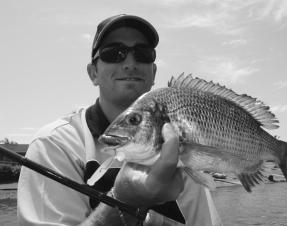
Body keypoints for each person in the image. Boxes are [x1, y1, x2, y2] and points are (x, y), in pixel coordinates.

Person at [17, 14, 223, 226]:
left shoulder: (179, 145)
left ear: (153, 73)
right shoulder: (54, 144)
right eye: (114, 53)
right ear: (93, 73)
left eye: (142, 53)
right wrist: (124, 200)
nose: (130, 63)